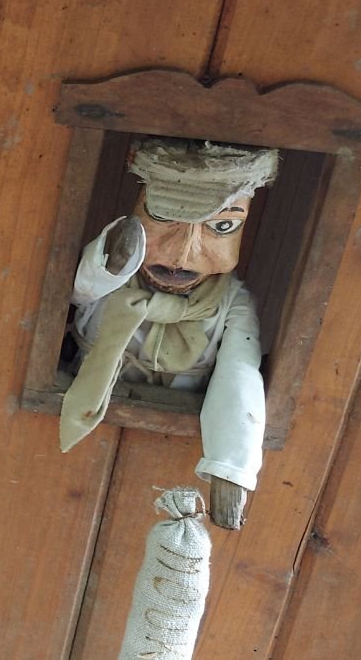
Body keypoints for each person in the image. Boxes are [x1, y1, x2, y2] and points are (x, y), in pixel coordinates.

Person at [61, 136, 278, 529]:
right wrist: (114, 259)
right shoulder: (117, 278)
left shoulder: (231, 302)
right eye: (162, 216)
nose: (183, 253)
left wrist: (231, 468)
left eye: (222, 226)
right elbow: (77, 291)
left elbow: (239, 375)